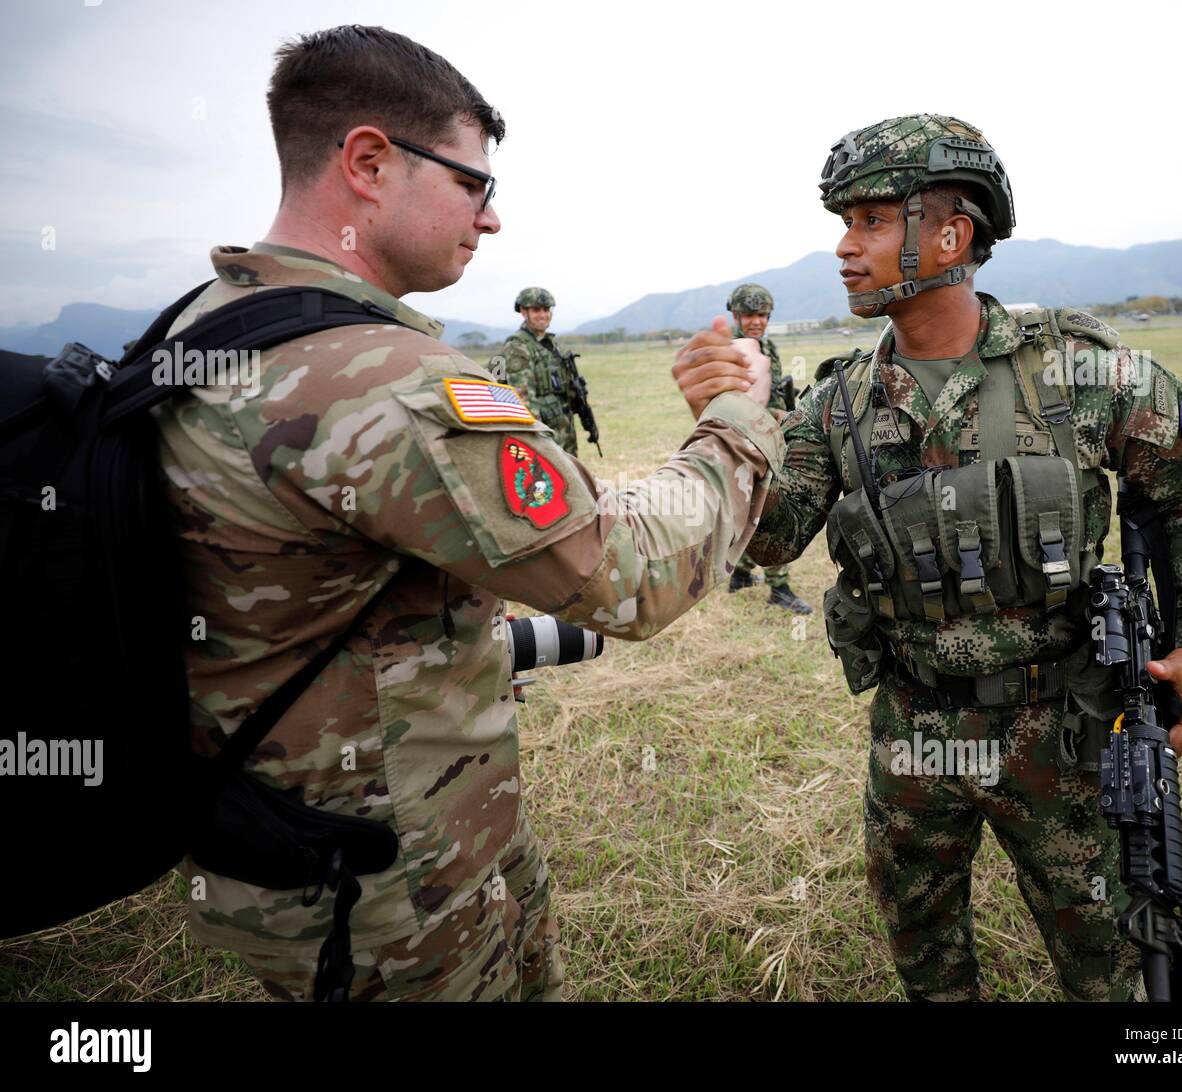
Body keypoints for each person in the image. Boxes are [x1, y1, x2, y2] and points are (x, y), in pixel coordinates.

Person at [153, 24, 781, 1002]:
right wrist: (737, 418)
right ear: (368, 162)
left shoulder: (197, 323)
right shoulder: (377, 379)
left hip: (286, 842)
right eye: (473, 183)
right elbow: (633, 576)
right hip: (393, 888)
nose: (490, 220)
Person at [675, 114, 1182, 1001]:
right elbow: (772, 537)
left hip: (1062, 728)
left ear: (951, 234)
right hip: (913, 732)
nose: (843, 246)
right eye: (844, 222)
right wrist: (728, 420)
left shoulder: (1078, 372)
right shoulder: (838, 405)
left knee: (1115, 966)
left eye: (870, 221)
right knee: (926, 956)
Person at [725, 283, 811, 614]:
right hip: (746, 441)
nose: (756, 321)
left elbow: (771, 392)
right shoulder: (733, 350)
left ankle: (741, 573)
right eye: (749, 315)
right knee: (772, 512)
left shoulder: (766, 346)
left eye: (762, 315)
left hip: (769, 439)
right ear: (735, 315)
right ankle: (780, 588)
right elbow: (738, 405)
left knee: (755, 512)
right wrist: (783, 416)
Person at [500, 287, 580, 455]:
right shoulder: (518, 346)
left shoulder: (551, 344)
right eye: (536, 310)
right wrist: (539, 439)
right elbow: (522, 398)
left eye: (546, 309)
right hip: (544, 435)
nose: (543, 315)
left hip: (563, 430)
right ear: (523, 311)